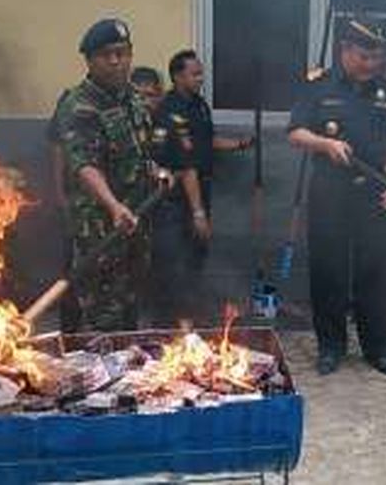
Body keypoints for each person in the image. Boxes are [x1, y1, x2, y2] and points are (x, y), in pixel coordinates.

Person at [288, 20, 386, 376]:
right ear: (344, 50)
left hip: (374, 192)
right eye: (363, 56)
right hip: (329, 192)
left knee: (374, 273)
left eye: (377, 56)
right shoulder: (318, 84)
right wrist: (324, 144)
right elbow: (295, 133)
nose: (371, 64)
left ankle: (378, 350)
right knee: (329, 270)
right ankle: (331, 347)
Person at [55, 18, 171, 331]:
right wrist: (112, 205)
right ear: (90, 60)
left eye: (122, 52)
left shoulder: (133, 99)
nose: (116, 61)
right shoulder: (79, 105)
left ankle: (127, 371)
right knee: (103, 316)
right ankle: (99, 375)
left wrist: (156, 171)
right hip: (101, 230)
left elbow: (137, 152)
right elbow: (84, 165)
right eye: (107, 54)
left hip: (135, 223)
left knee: (130, 306)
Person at [150, 49, 251, 325]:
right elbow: (186, 167)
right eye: (195, 74)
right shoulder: (171, 111)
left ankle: (189, 320)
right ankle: (170, 326)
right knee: (175, 262)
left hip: (200, 193)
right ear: (177, 76)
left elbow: (207, 141)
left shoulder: (198, 105)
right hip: (176, 201)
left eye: (201, 73)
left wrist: (239, 144)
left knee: (196, 257)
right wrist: (198, 213)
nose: (201, 79)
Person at [47, 88, 81, 332]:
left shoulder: (129, 104)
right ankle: (69, 334)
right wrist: (60, 193)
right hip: (80, 204)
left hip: (117, 207)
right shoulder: (72, 101)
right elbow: (58, 148)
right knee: (74, 268)